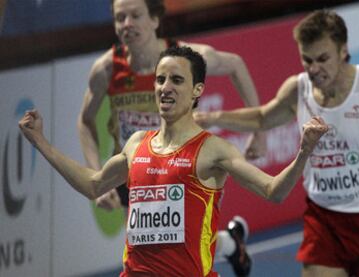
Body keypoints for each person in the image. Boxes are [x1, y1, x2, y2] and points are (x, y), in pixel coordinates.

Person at [20, 45, 327, 276]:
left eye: (176, 80)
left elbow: (274, 190)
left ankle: (232, 245)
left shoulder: (213, 150)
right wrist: (41, 142)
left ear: (197, 91)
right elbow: (93, 184)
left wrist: (303, 152)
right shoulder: (137, 143)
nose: (165, 87)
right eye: (160, 79)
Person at [194, 9, 359, 277]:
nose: (313, 69)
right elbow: (263, 117)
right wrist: (212, 117)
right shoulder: (299, 89)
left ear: (343, 50)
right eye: (306, 60)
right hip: (324, 220)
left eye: (322, 59)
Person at [77, 1, 265, 273]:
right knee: (160, 244)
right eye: (120, 18)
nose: (127, 23)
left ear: (155, 20)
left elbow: (236, 65)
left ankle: (228, 245)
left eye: (135, 15)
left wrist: (257, 131)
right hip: (138, 170)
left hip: (184, 167)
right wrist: (98, 175)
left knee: (184, 248)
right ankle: (232, 243)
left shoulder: (186, 60)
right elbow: (85, 121)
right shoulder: (107, 69)